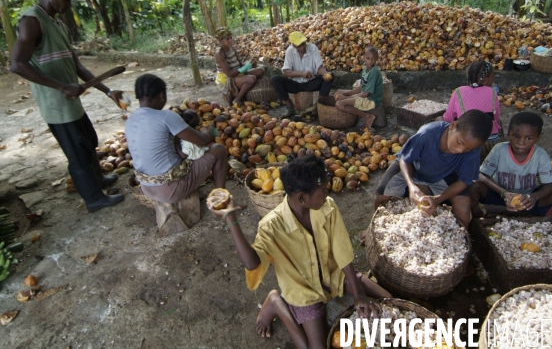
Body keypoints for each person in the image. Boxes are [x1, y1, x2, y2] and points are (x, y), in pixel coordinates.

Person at [207, 155, 391, 349]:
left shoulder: (327, 207)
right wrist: (230, 218)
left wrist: (358, 295)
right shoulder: (271, 226)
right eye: (322, 191)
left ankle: (352, 290)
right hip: (303, 290)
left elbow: (342, 252)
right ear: (302, 197)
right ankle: (276, 302)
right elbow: (253, 263)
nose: (326, 194)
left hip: (333, 275)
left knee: (387, 298)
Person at [10, 0, 124, 212]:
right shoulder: (31, 21)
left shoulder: (57, 24)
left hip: (71, 102)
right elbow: (17, 64)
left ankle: (99, 180)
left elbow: (77, 66)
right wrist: (62, 85)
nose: (69, 4)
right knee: (77, 152)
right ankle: (94, 199)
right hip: (56, 104)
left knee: (89, 141)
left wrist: (107, 90)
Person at [373, 109, 493, 228]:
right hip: (413, 167)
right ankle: (374, 228)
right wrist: (411, 185)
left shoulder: (474, 149)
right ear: (452, 126)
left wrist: (437, 199)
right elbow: (405, 159)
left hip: (444, 173)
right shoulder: (428, 133)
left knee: (464, 211)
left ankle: (462, 239)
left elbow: (464, 181)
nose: (460, 150)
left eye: (468, 149)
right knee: (381, 196)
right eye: (459, 142)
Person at [125, 74, 229, 204]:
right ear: (162, 95)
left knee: (180, 152)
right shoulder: (166, 116)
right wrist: (209, 131)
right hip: (171, 190)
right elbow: (202, 140)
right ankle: (220, 200)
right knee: (218, 149)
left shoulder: (130, 120)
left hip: (146, 188)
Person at [469, 112, 552, 228]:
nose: (521, 142)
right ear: (508, 134)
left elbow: (549, 186)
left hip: (529, 200)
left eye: (528, 138)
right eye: (516, 136)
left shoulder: (540, 155)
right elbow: (482, 175)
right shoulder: (499, 150)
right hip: (500, 196)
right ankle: (477, 224)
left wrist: (534, 197)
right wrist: (504, 193)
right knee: (474, 186)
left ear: (537, 138)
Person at [443, 60, 503, 163]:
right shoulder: (492, 92)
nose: (492, 81)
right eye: (492, 78)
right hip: (491, 141)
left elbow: (448, 118)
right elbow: (496, 117)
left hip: (469, 142)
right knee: (499, 123)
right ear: (485, 79)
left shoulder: (458, 91)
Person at [271, 31, 334, 119]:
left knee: (330, 77)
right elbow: (285, 72)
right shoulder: (290, 51)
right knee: (275, 79)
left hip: (310, 83)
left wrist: (325, 74)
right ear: (293, 45)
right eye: (299, 46)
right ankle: (290, 106)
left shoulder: (313, 48)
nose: (303, 47)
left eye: (303, 44)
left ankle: (317, 106)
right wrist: (300, 73)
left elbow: (319, 68)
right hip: (295, 84)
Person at [335, 46, 383, 130]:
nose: (370, 61)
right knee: (339, 91)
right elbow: (360, 87)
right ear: (364, 57)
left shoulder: (374, 72)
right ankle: (366, 115)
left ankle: (367, 116)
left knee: (339, 104)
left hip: (371, 100)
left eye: (373, 59)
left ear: (376, 59)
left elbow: (366, 93)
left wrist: (348, 97)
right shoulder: (365, 69)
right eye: (368, 58)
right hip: (364, 95)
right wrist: (347, 93)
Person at [214, 27, 264, 105]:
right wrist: (243, 69)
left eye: (231, 38)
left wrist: (251, 64)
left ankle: (248, 92)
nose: (230, 40)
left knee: (260, 70)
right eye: (227, 39)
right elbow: (229, 74)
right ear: (221, 40)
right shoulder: (219, 53)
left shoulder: (232, 48)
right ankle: (237, 99)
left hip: (237, 73)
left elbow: (240, 65)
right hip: (227, 78)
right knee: (251, 79)